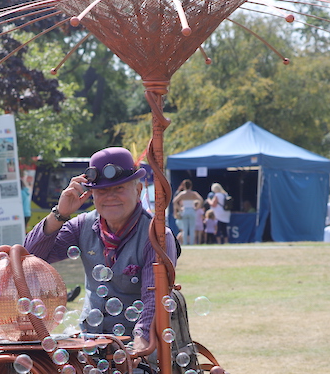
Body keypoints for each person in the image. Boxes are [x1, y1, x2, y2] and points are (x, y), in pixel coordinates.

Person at [24, 146, 178, 355]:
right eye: (102, 191)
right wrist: (59, 214)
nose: (110, 197)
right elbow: (30, 257)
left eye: (119, 189)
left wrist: (139, 344)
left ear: (138, 190)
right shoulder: (82, 225)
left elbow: (154, 298)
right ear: (91, 196)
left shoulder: (157, 236)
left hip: (140, 346)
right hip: (90, 343)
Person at [172, 179, 204, 246]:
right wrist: (197, 207)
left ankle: (185, 243)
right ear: (190, 186)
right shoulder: (193, 193)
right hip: (192, 210)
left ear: (184, 186)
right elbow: (201, 199)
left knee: (185, 228)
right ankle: (192, 243)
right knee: (192, 228)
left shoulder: (182, 194)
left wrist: (179, 208)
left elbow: (174, 201)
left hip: (185, 210)